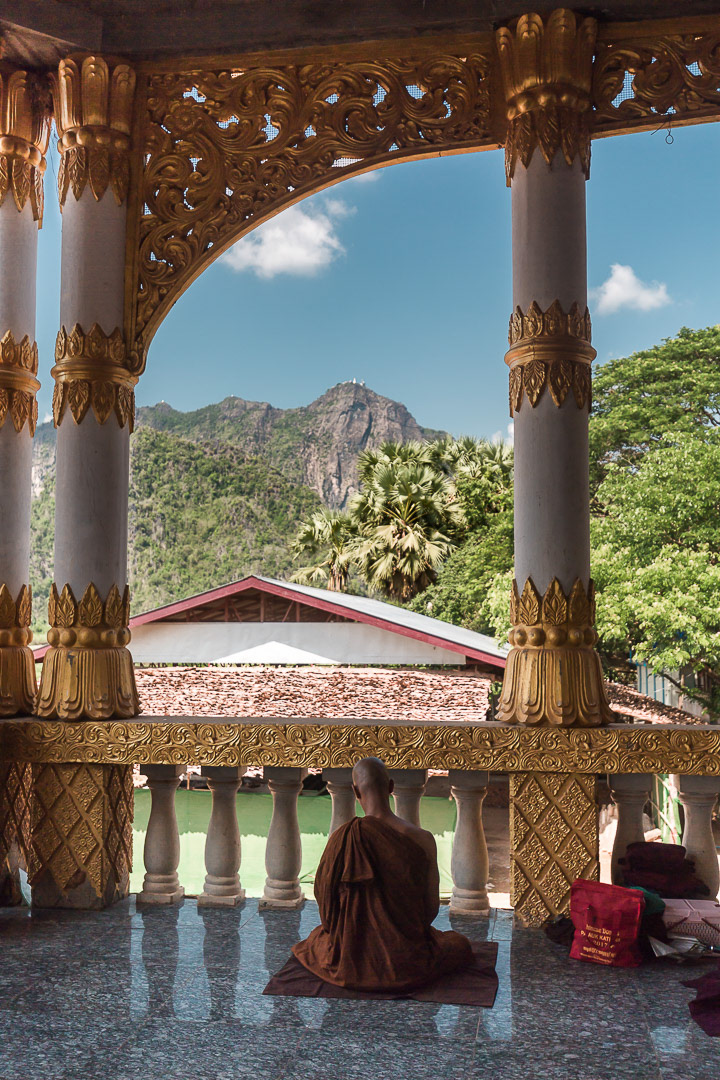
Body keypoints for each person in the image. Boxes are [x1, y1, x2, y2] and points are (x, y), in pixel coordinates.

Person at [292, 756, 473, 992]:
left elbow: (327, 913)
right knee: (459, 945)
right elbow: (429, 911)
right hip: (405, 958)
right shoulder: (423, 839)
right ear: (391, 787)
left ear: (355, 791)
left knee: (314, 942)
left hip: (349, 957)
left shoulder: (343, 838)